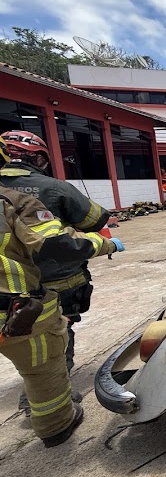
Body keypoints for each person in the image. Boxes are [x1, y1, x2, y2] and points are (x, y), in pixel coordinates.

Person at [0, 139, 122, 447]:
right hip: (39, 290)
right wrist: (106, 244)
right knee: (49, 352)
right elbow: (93, 220)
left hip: (18, 295)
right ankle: (52, 419)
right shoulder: (37, 194)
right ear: (40, 159)